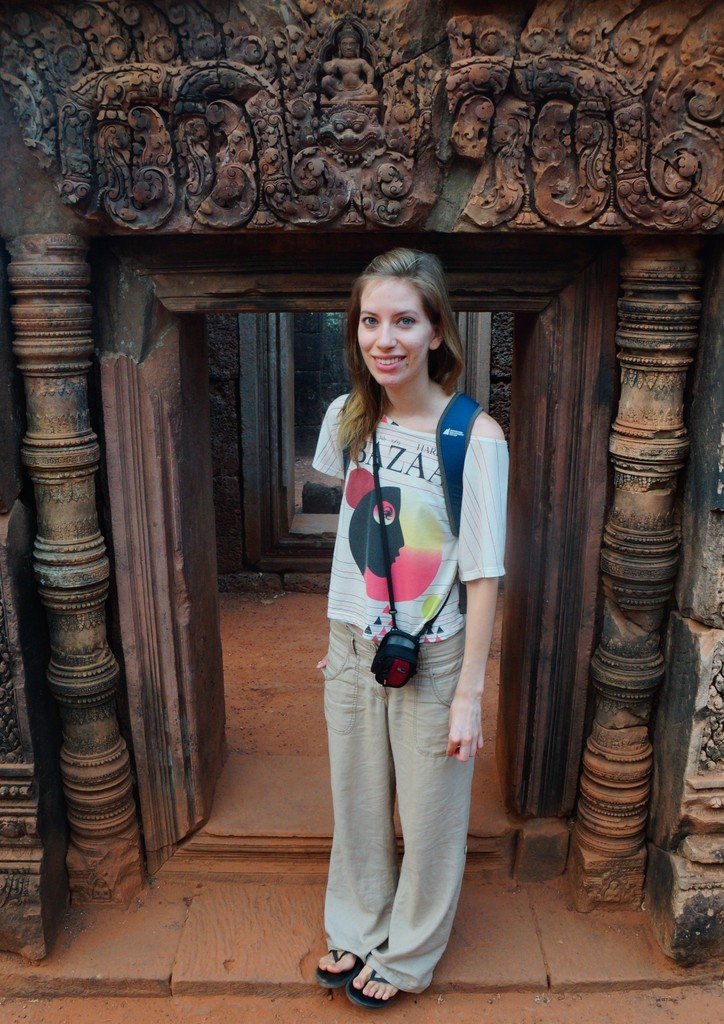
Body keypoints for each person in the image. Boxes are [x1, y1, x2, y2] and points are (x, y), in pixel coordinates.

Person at [312, 248, 509, 1009]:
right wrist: (337, 630)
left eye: (403, 320)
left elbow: (484, 572)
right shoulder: (347, 418)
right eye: (370, 320)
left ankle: (410, 953)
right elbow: (352, 530)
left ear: (436, 331)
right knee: (357, 798)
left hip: (435, 651)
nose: (384, 339)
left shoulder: (473, 436)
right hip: (354, 641)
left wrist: (470, 693)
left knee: (429, 814)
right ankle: (358, 925)